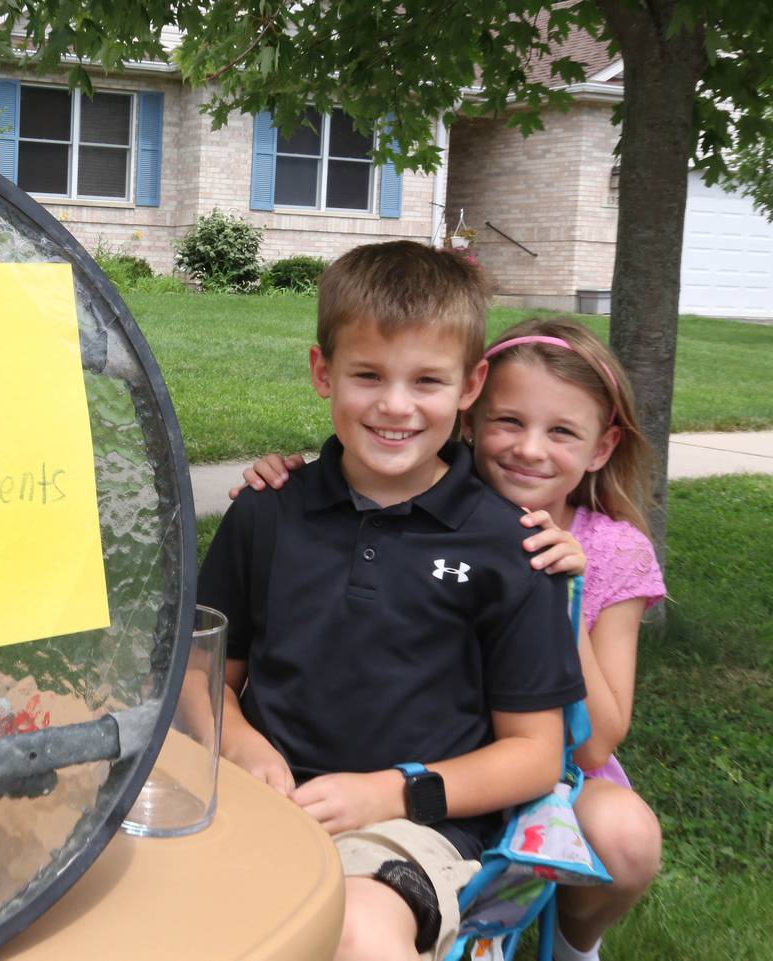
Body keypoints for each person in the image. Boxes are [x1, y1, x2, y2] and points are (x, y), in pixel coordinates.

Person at [199, 241, 585, 961]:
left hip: (410, 827)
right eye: (368, 374)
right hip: (253, 801)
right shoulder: (266, 512)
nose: (395, 405)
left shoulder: (512, 548)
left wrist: (390, 794)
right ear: (323, 371)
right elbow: (202, 677)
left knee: (357, 932)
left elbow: (536, 756)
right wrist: (244, 745)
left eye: (426, 381)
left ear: (471, 385)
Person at [237, 316, 665, 961]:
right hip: (426, 746)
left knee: (627, 837)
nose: (529, 449)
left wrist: (559, 595)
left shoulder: (609, 550)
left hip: (547, 764)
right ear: (471, 412)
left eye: (561, 432)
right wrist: (283, 474)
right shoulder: (425, 508)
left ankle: (577, 947)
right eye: (509, 422)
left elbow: (597, 739)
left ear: (600, 448)